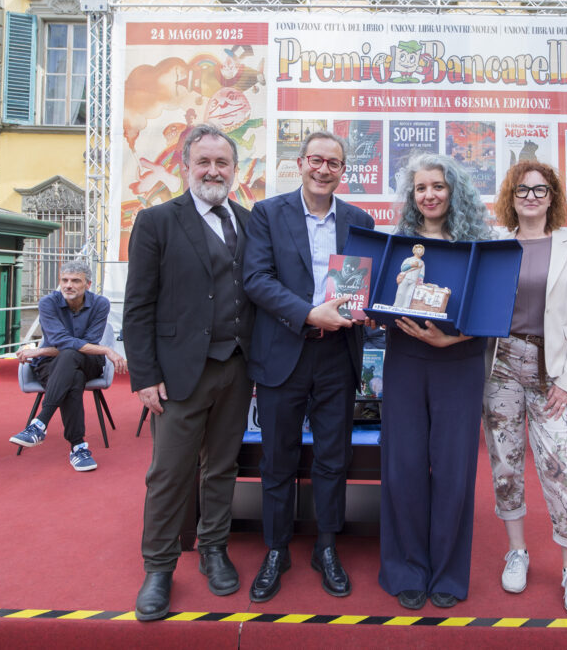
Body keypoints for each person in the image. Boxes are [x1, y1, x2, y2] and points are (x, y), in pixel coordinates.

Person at [123, 124, 255, 621]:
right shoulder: (157, 221)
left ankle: (214, 549)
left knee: (221, 468)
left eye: (222, 163)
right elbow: (138, 306)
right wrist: (143, 375)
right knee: (168, 474)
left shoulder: (246, 220)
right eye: (204, 162)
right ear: (186, 165)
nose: (213, 171)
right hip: (178, 374)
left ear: (234, 170)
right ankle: (158, 568)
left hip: (238, 369)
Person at [243, 131, 375, 603]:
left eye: (333, 163)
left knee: (332, 458)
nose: (323, 169)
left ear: (343, 170)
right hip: (283, 351)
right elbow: (256, 278)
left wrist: (372, 304)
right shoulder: (267, 213)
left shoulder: (359, 220)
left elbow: (364, 285)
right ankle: (276, 549)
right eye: (315, 160)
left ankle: (326, 545)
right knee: (277, 459)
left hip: (338, 355)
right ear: (299, 163)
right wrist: (306, 312)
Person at [481, 161, 567, 618]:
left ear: (552, 198)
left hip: (555, 371)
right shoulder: (495, 246)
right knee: (505, 466)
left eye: (541, 190)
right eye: (523, 190)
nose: (531, 196)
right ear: (511, 197)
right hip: (502, 367)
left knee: (564, 467)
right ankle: (518, 551)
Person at [378, 153, 491, 611]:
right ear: (412, 196)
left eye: (438, 187)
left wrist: (453, 339)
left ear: (454, 191)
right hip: (404, 358)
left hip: (459, 361)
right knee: (403, 466)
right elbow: (375, 302)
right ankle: (407, 569)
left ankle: (446, 572)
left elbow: (492, 311)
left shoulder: (478, 245)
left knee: (453, 470)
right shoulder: (394, 245)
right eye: (421, 188)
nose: (429, 195)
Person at [10, 259, 127, 472]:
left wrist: (41, 350)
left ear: (88, 284)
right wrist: (106, 349)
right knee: (73, 376)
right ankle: (78, 447)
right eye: (64, 280)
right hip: (53, 366)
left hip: (89, 363)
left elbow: (82, 344)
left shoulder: (100, 303)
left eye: (75, 281)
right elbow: (63, 342)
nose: (68, 285)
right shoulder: (48, 302)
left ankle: (40, 424)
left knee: (72, 355)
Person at [393, 244, 425, 308]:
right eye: (419, 250)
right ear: (414, 250)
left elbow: (421, 274)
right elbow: (403, 269)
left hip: (414, 281)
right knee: (400, 293)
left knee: (409, 295)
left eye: (422, 250)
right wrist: (411, 265)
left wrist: (419, 282)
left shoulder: (422, 263)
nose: (420, 252)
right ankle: (396, 306)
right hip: (405, 278)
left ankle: (405, 307)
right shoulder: (409, 259)